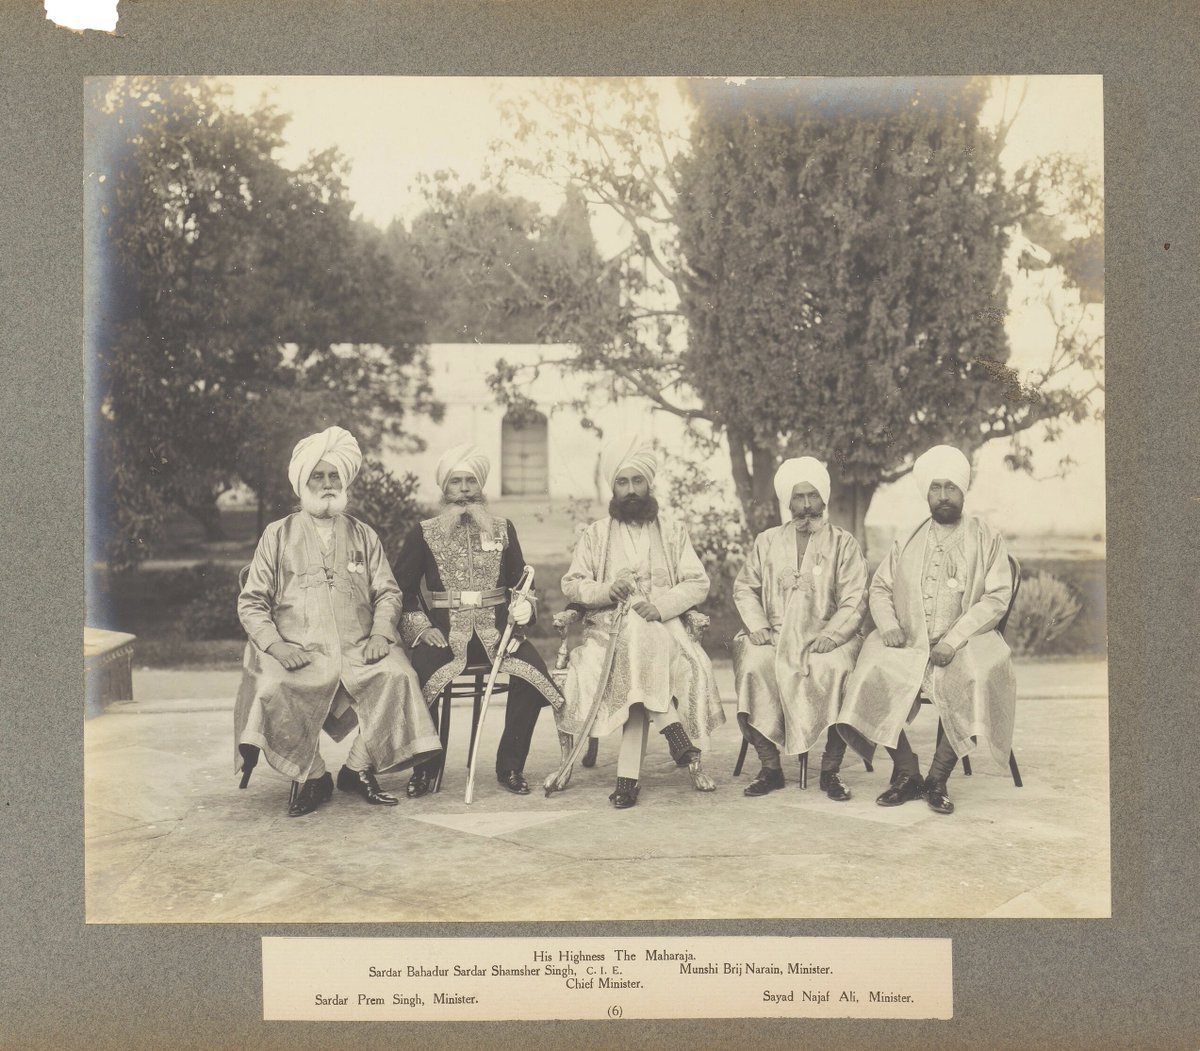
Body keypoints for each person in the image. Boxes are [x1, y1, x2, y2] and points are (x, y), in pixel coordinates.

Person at [234, 426, 441, 818]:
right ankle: (312, 775)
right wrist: (276, 646)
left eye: (334, 476)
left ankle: (356, 769)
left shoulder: (364, 535)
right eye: (319, 476)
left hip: (360, 643)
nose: (328, 484)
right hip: (298, 646)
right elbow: (252, 601)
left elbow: (388, 592)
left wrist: (382, 633)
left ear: (344, 481)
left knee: (398, 676)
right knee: (275, 685)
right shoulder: (277, 535)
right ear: (303, 481)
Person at [838, 445, 1017, 815]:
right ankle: (906, 772)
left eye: (950, 488)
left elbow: (997, 597)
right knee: (869, 672)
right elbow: (880, 587)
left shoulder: (986, 536)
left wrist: (953, 639)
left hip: (968, 640)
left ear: (964, 490)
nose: (943, 496)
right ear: (927, 493)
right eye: (935, 488)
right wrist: (887, 625)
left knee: (975, 676)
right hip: (909, 638)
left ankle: (937, 778)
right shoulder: (909, 536)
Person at [558, 436, 725, 809]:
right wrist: (605, 589)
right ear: (613, 488)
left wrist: (662, 606)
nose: (631, 490)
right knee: (635, 646)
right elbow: (572, 583)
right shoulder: (596, 534)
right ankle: (672, 727)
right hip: (607, 634)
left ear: (649, 484)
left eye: (637, 481)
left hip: (666, 632)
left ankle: (627, 781)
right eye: (623, 482)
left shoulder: (673, 531)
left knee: (640, 663)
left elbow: (697, 581)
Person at [391, 443, 562, 797]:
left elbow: (521, 581)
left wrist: (525, 608)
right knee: (417, 678)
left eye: (471, 481)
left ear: (480, 486)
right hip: (444, 633)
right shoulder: (423, 532)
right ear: (444, 487)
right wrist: (422, 629)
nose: (465, 489)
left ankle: (510, 765)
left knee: (533, 679)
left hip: (499, 632)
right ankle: (425, 770)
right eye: (456, 482)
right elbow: (401, 591)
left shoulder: (502, 528)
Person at [732, 457, 868, 800]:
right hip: (774, 634)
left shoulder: (843, 543)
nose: (806, 505)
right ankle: (770, 768)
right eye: (798, 497)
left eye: (812, 496)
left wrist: (832, 636)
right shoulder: (766, 541)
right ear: (787, 502)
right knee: (753, 664)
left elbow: (855, 599)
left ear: (823, 498)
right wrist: (758, 625)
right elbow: (745, 587)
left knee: (837, 669)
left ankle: (831, 770)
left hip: (827, 635)